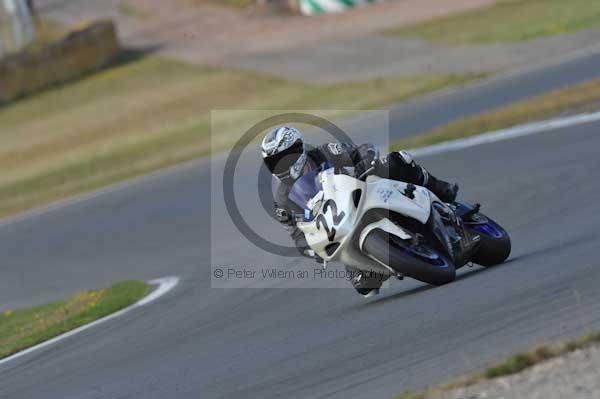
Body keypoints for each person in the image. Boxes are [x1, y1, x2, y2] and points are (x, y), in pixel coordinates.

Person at [261, 126, 458, 297]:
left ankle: (440, 187)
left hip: (361, 192)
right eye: (273, 162)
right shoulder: (282, 201)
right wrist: (311, 248)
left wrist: (368, 161)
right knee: (364, 286)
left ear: (298, 149)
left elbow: (360, 151)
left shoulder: (323, 152)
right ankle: (397, 255)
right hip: (340, 227)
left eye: (283, 158)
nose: (279, 166)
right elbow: (296, 235)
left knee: (398, 160)